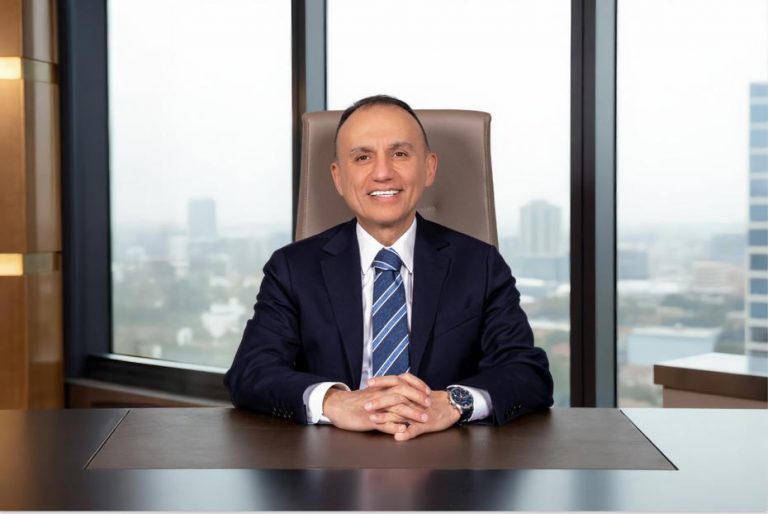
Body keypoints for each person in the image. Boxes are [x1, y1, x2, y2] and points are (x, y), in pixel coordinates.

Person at [225, 95, 553, 441]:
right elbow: (251, 371)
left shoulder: (480, 265)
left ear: (429, 168)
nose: (382, 173)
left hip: (449, 456)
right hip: (329, 457)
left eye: (400, 154)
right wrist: (335, 402)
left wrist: (454, 403)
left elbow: (527, 373)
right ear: (338, 177)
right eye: (362, 157)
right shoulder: (292, 269)